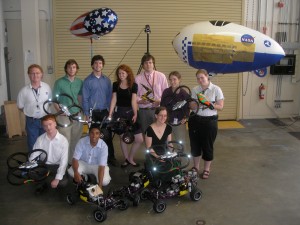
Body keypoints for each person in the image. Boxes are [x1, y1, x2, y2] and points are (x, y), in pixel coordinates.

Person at [82, 55, 117, 167]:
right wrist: (87, 113)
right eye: (96, 63)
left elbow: (110, 97)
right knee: (93, 137)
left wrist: (110, 112)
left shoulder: (107, 80)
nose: (98, 65)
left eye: (100, 63)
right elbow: (85, 98)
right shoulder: (87, 81)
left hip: (104, 112)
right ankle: (93, 158)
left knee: (107, 136)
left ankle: (111, 157)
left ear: (103, 65)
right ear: (92, 65)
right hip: (93, 113)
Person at [188, 69, 224, 179]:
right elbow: (192, 106)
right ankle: (196, 167)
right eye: (198, 78)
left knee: (207, 146)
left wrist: (208, 103)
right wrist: (197, 104)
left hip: (209, 122)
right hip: (195, 120)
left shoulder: (216, 89)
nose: (200, 80)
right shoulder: (195, 89)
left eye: (202, 77)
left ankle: (207, 169)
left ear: (207, 76)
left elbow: (220, 106)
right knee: (195, 145)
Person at [108, 64, 143, 168]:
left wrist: (135, 113)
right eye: (119, 73)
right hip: (119, 113)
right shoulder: (115, 84)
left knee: (139, 139)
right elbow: (114, 99)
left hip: (131, 112)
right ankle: (126, 159)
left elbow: (133, 100)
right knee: (123, 138)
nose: (121, 75)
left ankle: (131, 157)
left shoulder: (133, 85)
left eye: (123, 73)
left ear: (128, 73)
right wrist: (110, 113)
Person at [52, 59, 83, 164]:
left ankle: (71, 162)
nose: (71, 69)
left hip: (77, 115)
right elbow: (54, 100)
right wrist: (60, 111)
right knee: (65, 141)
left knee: (75, 140)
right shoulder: (59, 82)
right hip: (64, 116)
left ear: (77, 69)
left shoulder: (80, 82)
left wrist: (83, 111)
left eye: (74, 67)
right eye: (69, 67)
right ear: (66, 69)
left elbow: (80, 98)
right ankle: (63, 162)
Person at [17, 64, 52, 151]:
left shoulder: (47, 87)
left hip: (45, 120)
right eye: (32, 73)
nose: (35, 75)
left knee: (45, 142)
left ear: (41, 74)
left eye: (37, 73)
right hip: (32, 121)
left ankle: (44, 160)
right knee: (33, 143)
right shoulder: (23, 91)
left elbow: (50, 102)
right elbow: (20, 106)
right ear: (29, 75)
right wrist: (30, 112)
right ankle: (33, 162)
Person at [32, 114, 69, 194]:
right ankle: (43, 184)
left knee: (63, 183)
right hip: (44, 165)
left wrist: (57, 178)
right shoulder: (40, 139)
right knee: (32, 173)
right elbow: (34, 154)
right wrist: (30, 164)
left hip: (57, 166)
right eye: (45, 125)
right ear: (43, 127)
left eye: (50, 124)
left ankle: (49, 179)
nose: (48, 127)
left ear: (55, 123)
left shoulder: (63, 141)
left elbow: (64, 162)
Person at [68, 124, 111, 189]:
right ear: (89, 133)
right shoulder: (81, 141)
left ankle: (89, 177)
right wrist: (76, 172)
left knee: (104, 182)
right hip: (83, 163)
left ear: (99, 135)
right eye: (92, 133)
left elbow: (101, 166)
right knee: (71, 172)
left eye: (97, 133)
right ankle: (85, 177)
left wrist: (100, 185)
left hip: (97, 166)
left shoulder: (104, 146)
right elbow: (75, 159)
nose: (94, 136)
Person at [135, 54, 169, 133]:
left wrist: (159, 100)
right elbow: (134, 95)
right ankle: (148, 146)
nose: (148, 65)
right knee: (147, 133)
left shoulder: (161, 76)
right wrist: (141, 101)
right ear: (142, 65)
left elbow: (166, 93)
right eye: (146, 63)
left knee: (160, 133)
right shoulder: (137, 78)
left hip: (158, 110)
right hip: (144, 110)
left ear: (153, 64)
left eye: (150, 62)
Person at [161, 71, 190, 149]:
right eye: (170, 79)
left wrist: (185, 117)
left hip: (179, 122)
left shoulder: (184, 94)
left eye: (174, 79)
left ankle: (181, 159)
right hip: (167, 121)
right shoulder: (166, 92)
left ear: (179, 80)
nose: (172, 82)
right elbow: (162, 106)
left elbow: (187, 108)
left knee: (180, 142)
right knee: (167, 142)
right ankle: (169, 159)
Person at [144, 107, 174, 184]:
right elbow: (149, 147)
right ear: (156, 116)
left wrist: (172, 153)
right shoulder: (149, 129)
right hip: (153, 154)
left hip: (164, 152)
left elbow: (169, 143)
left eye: (165, 115)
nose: (163, 118)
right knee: (156, 171)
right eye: (161, 115)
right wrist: (158, 157)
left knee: (173, 166)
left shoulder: (168, 128)